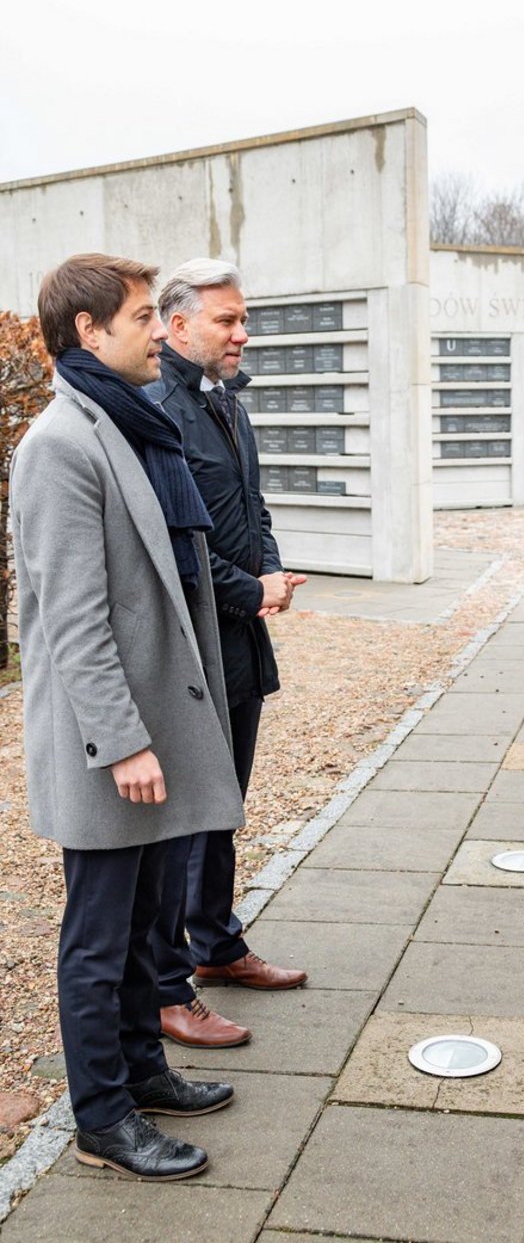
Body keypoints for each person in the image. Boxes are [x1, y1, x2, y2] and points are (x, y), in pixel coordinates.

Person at [10, 253, 246, 1180]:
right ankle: (103, 1117)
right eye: (144, 316)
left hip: (154, 729)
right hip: (111, 742)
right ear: (88, 330)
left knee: (149, 922)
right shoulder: (59, 444)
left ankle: (144, 1070)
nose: (160, 330)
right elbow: (73, 618)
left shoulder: (126, 422)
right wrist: (123, 741)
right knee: (100, 936)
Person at [145, 258, 307, 1050]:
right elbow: (175, 545)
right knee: (182, 820)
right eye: (227, 320)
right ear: (177, 326)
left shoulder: (228, 403)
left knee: (223, 806)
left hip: (238, 637)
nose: (243, 332)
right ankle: (167, 988)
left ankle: (216, 944)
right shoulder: (158, 411)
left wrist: (269, 574)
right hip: (190, 650)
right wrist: (251, 588)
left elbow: (253, 506)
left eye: (244, 318)